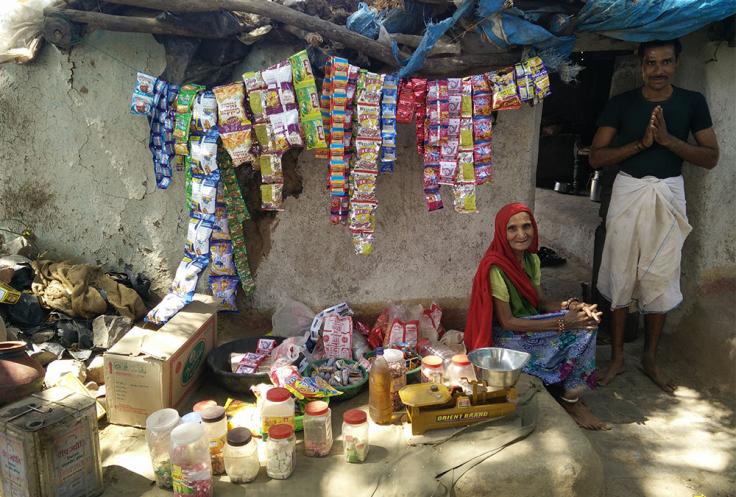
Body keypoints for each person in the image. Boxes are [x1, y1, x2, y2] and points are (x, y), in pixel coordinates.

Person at [590, 39, 719, 394]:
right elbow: (596, 158)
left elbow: (710, 157)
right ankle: (616, 357)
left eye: (665, 62)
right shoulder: (622, 105)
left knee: (661, 274)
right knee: (620, 271)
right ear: (641, 64)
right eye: (651, 63)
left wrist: (668, 141)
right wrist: (641, 145)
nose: (658, 70)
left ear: (676, 63)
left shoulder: (693, 102)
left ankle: (650, 358)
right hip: (629, 192)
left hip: (669, 192)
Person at [465, 202, 608, 430]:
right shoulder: (495, 267)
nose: (521, 234)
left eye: (526, 226)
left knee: (588, 320)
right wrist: (563, 322)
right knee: (581, 330)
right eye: (512, 228)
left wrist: (574, 306)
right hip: (507, 336)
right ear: (502, 233)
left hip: (529, 324)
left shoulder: (532, 260)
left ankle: (567, 387)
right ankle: (571, 399)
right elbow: (507, 321)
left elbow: (540, 303)